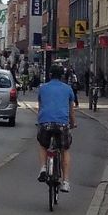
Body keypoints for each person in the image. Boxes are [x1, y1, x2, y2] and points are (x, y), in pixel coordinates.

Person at [35, 64, 76, 193]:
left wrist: (40, 121)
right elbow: (71, 110)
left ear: (50, 75)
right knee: (64, 149)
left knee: (43, 144)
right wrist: (73, 123)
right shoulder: (68, 89)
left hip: (45, 122)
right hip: (62, 124)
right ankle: (66, 182)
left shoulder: (43, 88)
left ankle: (42, 168)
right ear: (63, 76)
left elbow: (40, 106)